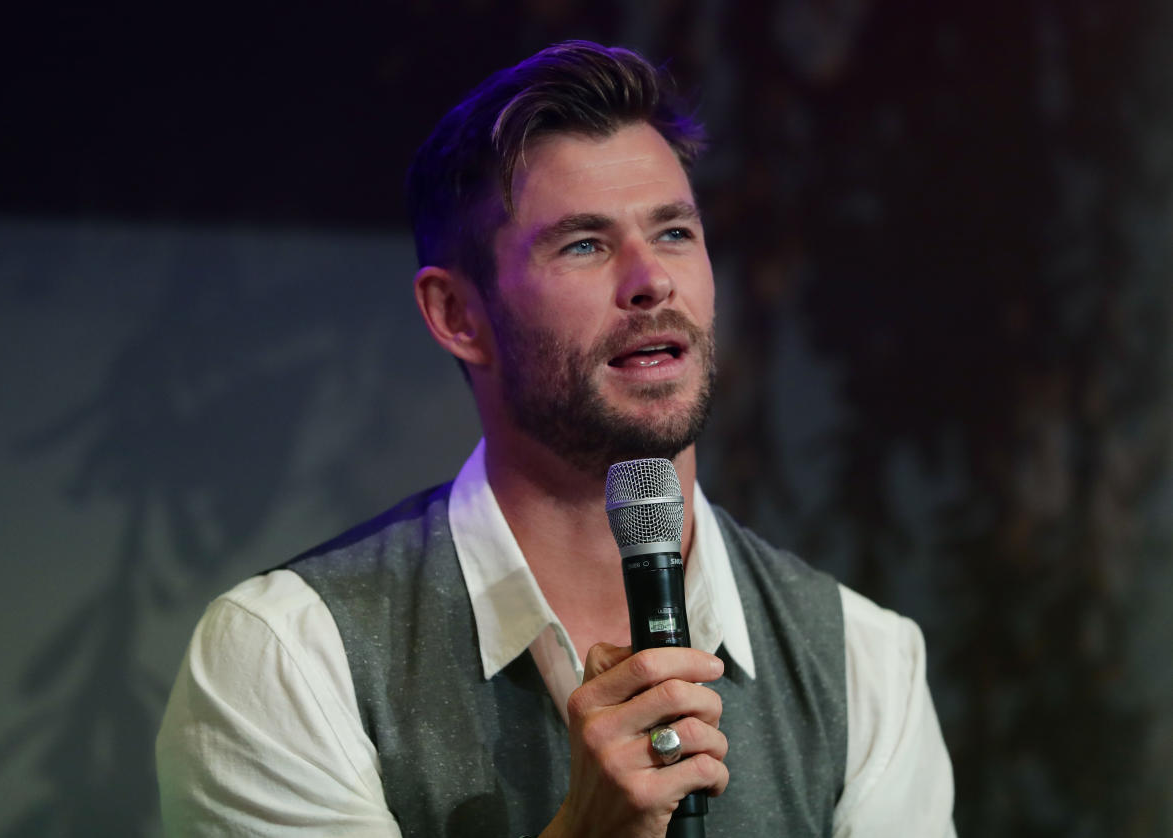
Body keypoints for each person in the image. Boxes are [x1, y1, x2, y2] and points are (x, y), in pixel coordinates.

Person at [156, 40, 956, 837]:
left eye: (675, 232)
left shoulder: (863, 661)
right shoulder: (287, 658)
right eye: (585, 244)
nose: (651, 280)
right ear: (457, 316)